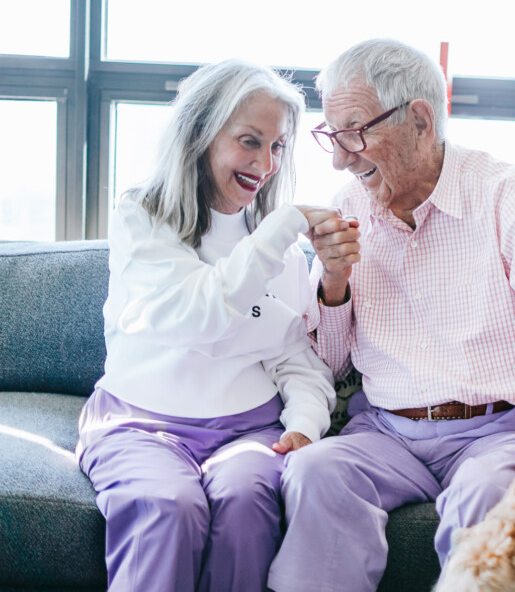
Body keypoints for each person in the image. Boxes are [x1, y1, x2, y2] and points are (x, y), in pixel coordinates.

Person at [267, 39, 515, 592]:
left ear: (421, 120)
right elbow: (328, 365)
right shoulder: (350, 204)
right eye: (331, 136)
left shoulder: (509, 196)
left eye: (354, 131)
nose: (339, 157)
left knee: (485, 495)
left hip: (499, 429)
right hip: (386, 432)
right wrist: (332, 282)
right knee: (315, 472)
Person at [76, 59, 337, 592]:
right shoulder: (143, 217)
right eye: (249, 140)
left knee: (245, 500)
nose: (265, 163)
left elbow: (296, 357)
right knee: (167, 506)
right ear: (200, 134)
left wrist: (305, 422)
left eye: (278, 146)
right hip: (139, 424)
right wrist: (284, 227)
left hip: (249, 428)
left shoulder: (275, 244)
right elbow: (200, 315)